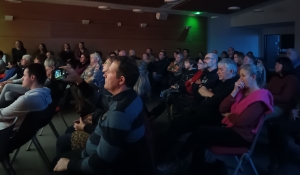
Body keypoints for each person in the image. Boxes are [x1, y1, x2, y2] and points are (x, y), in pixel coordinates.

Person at [158, 64, 273, 174]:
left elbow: (241, 121)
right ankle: (195, 167)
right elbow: (223, 107)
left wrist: (228, 115)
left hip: (241, 136)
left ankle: (177, 162)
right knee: (200, 132)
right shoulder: (242, 91)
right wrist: (234, 91)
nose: (239, 80)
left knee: (201, 132)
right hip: (231, 127)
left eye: (243, 76)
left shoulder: (260, 98)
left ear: (253, 77)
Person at [50, 56, 155, 175]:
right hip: (94, 151)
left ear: (121, 80)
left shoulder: (119, 113)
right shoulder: (130, 96)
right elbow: (99, 100)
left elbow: (100, 163)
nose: (104, 74)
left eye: (109, 71)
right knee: (56, 161)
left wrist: (69, 164)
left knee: (56, 165)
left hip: (95, 160)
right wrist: (77, 80)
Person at [0, 63, 52, 130]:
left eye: (24, 75)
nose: (22, 79)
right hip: (27, 132)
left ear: (32, 77)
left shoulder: (27, 99)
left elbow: (2, 116)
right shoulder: (46, 93)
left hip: (7, 132)